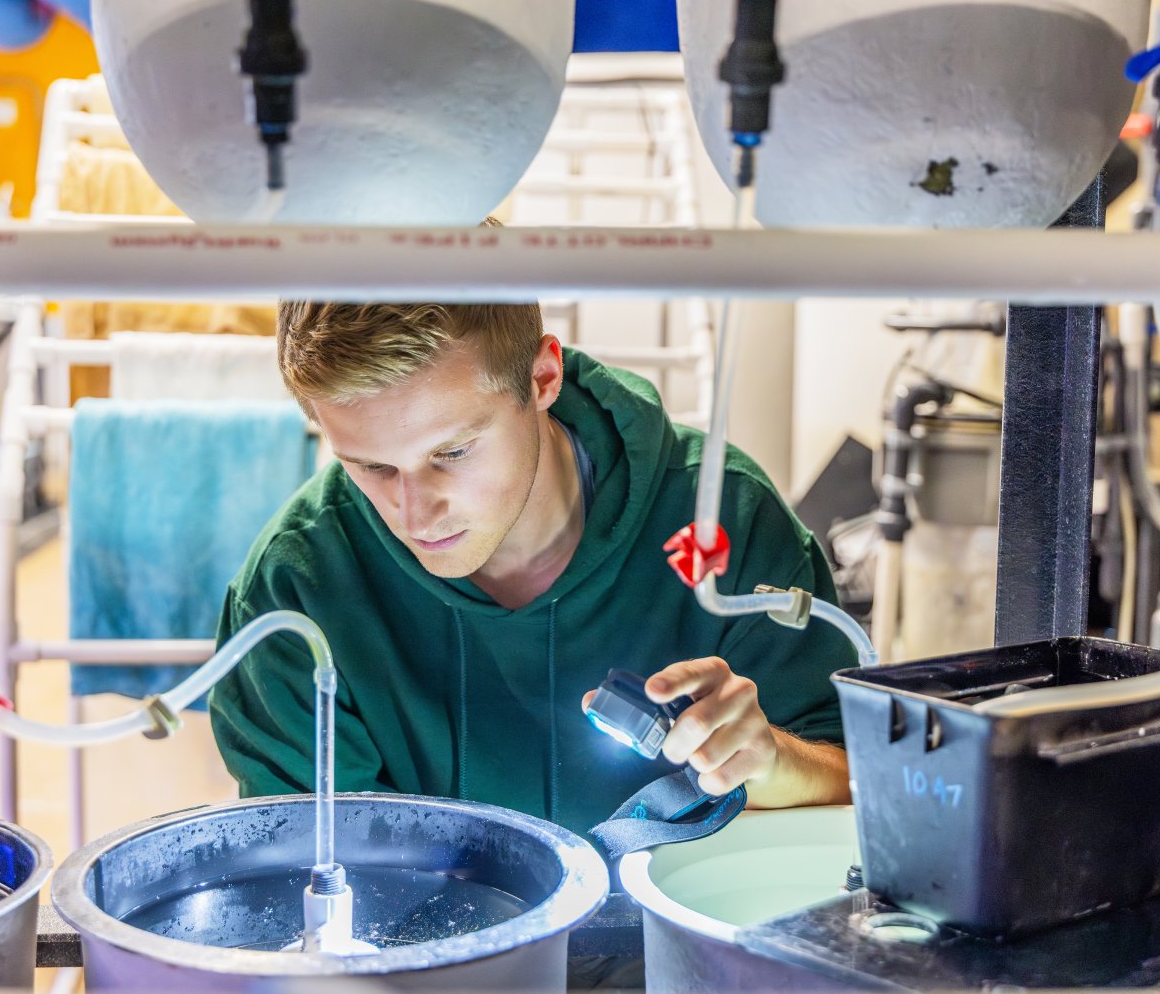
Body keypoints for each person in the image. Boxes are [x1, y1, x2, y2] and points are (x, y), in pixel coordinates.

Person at [209, 299, 854, 839]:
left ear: (544, 377)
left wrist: (771, 761)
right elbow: (309, 872)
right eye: (371, 467)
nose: (415, 513)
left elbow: (863, 786)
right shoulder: (295, 593)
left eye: (452, 452)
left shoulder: (722, 520)